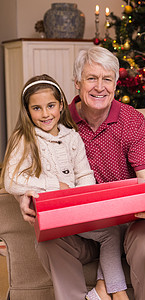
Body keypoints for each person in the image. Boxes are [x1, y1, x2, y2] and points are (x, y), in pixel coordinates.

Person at [14, 47, 145, 300]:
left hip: (127, 224)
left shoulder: (132, 120)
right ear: (76, 83)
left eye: (107, 79)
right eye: (91, 78)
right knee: (47, 241)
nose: (100, 87)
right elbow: (25, 166)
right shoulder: (56, 121)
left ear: (116, 85)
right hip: (79, 226)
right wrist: (26, 193)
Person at [1, 74, 131, 300]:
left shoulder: (72, 137)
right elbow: (11, 180)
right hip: (54, 222)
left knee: (112, 231)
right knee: (48, 242)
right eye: (37, 108)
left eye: (50, 106)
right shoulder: (25, 138)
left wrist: (87, 200)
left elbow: (84, 173)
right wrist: (54, 186)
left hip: (79, 217)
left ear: (61, 105)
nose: (45, 114)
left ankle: (114, 291)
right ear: (27, 110)